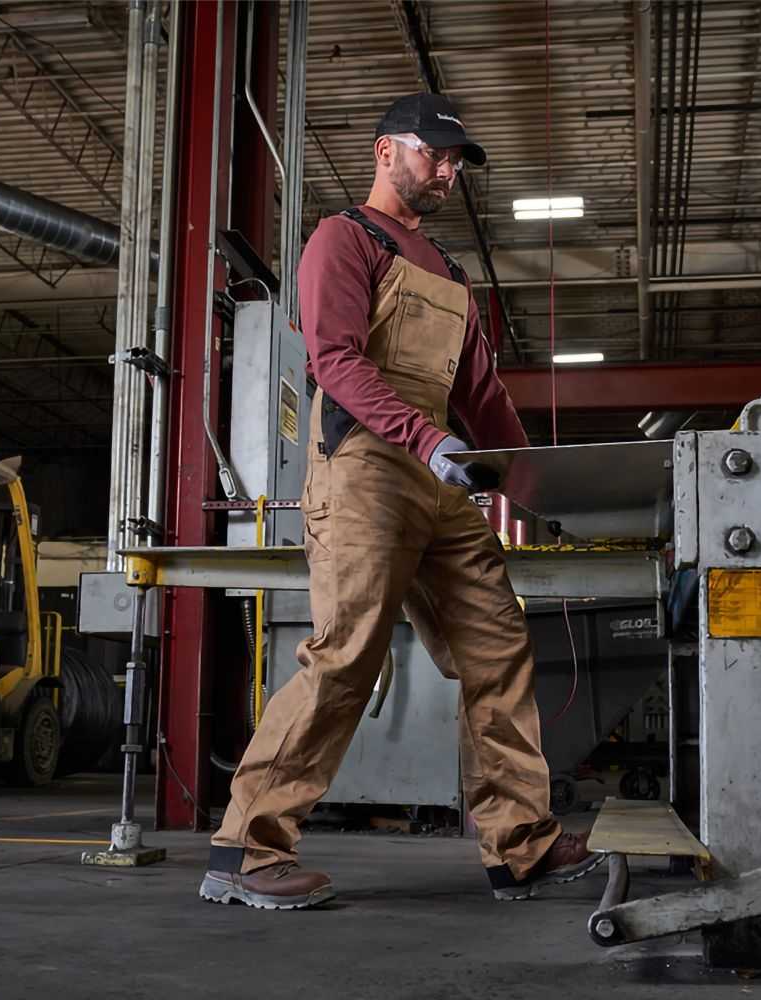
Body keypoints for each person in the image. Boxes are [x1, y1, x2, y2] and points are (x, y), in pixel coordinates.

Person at [200, 93, 598, 910]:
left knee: (497, 645)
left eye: (456, 161)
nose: (447, 171)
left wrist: (538, 487)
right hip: (366, 469)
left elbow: (482, 396)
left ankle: (519, 844)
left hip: (440, 478)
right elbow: (336, 362)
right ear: (386, 152)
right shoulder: (343, 239)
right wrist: (426, 439)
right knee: (348, 652)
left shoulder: (451, 274)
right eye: (434, 153)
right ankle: (249, 847)